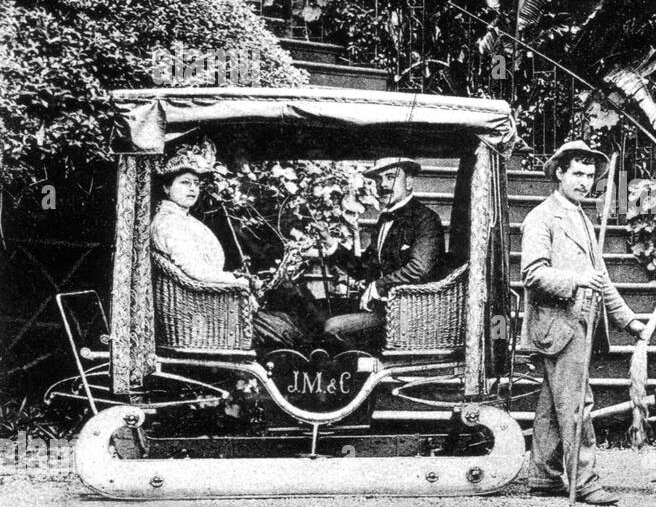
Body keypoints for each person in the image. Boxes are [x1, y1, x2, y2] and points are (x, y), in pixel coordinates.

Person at [521, 141, 646, 506]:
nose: (585, 181)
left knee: (550, 404)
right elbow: (533, 274)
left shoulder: (582, 217)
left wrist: (629, 321)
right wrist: (576, 280)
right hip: (559, 326)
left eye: (590, 175)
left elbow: (601, 278)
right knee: (576, 404)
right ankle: (586, 481)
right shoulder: (541, 217)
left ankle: (544, 475)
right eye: (577, 173)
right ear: (559, 173)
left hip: (581, 324)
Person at [150, 138, 305, 350]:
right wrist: (238, 283)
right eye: (185, 182)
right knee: (286, 331)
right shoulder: (168, 223)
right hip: (199, 312)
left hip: (208, 303)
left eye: (196, 183)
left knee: (285, 322)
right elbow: (195, 272)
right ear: (167, 188)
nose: (193, 189)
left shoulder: (180, 218)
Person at [321, 157, 444, 354]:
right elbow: (364, 269)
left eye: (391, 177)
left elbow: (419, 269)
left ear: (409, 182)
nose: (383, 185)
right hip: (382, 309)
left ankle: (350, 379)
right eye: (379, 180)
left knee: (332, 329)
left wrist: (378, 286)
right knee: (318, 310)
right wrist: (331, 243)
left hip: (407, 317)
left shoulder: (425, 219)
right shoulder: (385, 221)